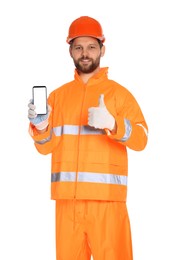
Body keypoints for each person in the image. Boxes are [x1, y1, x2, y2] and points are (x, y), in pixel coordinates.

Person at [28, 16, 148, 260]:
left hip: (107, 204)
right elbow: (46, 147)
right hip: (67, 203)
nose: (85, 53)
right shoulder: (57, 98)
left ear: (102, 49)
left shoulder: (119, 95)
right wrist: (40, 127)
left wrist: (114, 124)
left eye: (92, 47)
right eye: (78, 47)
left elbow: (142, 139)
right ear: (70, 51)